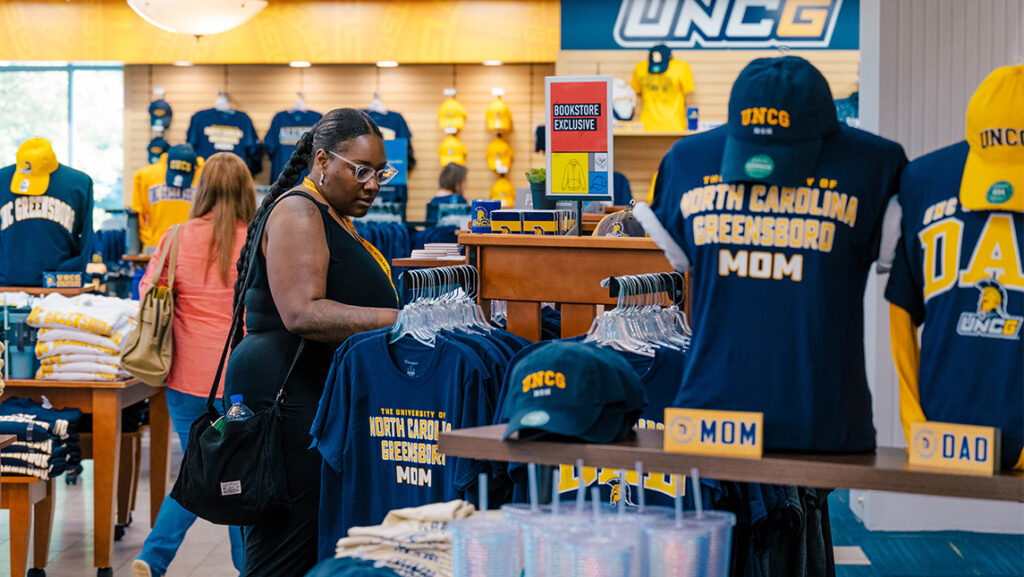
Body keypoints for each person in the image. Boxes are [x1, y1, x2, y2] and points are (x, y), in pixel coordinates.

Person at [224, 108, 401, 576]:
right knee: (285, 546)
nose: (373, 184)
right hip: (283, 393)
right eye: (360, 170)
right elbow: (302, 312)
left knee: (308, 538)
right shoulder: (299, 211)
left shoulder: (332, 215)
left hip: (302, 388)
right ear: (322, 161)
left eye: (380, 172)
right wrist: (405, 319)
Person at [132, 153, 257, 577]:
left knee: (199, 470)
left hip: (185, 382)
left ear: (200, 189)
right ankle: (246, 568)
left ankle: (153, 558)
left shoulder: (176, 237)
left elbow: (150, 293)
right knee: (236, 476)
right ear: (246, 191)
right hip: (242, 381)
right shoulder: (259, 239)